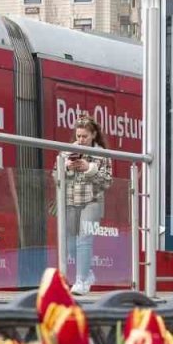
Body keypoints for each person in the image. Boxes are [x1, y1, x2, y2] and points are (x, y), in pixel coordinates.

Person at [56, 117, 113, 296]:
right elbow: (54, 177)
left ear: (94, 135)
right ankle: (87, 273)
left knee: (84, 240)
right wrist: (65, 167)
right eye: (78, 136)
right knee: (70, 242)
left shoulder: (102, 154)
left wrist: (90, 168)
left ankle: (81, 281)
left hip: (93, 202)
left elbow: (107, 182)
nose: (81, 140)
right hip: (70, 201)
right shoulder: (67, 151)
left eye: (85, 136)